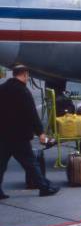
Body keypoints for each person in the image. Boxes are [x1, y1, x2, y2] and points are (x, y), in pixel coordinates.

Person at [0, 64, 59, 198]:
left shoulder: (1, 89)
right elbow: (32, 114)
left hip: (3, 135)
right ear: (25, 74)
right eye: (27, 76)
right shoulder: (23, 92)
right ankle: (44, 188)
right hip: (19, 136)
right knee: (31, 164)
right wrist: (41, 133)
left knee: (1, 165)